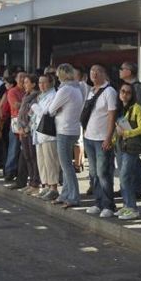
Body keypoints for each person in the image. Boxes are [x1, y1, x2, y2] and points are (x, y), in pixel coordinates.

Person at [83, 64, 118, 218]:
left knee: (103, 172)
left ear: (105, 74)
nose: (94, 74)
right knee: (93, 173)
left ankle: (108, 205)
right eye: (92, 72)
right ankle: (98, 202)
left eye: (98, 71)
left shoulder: (109, 92)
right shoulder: (91, 91)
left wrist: (108, 137)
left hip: (102, 138)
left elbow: (112, 116)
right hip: (89, 137)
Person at [48, 63, 84, 208]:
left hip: (64, 130)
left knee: (66, 166)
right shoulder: (78, 88)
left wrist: (57, 109)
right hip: (74, 129)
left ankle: (74, 197)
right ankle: (65, 194)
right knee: (66, 165)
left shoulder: (65, 90)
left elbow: (50, 109)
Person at [113, 82, 141, 220]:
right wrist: (113, 142)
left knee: (126, 177)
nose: (125, 94)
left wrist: (127, 133)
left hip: (131, 147)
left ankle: (132, 207)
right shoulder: (119, 108)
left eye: (128, 92)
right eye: (122, 91)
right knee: (123, 178)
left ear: (132, 95)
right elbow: (117, 130)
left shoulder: (136, 108)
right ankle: (127, 205)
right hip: (120, 147)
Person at [118, 61, 141, 198]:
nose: (119, 71)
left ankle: (136, 189)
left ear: (129, 72)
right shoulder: (130, 87)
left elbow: (136, 110)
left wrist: (127, 131)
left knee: (132, 163)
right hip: (125, 131)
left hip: (133, 132)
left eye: (121, 69)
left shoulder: (137, 87)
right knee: (131, 163)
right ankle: (130, 188)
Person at [31, 73, 60, 200]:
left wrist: (33, 106)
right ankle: (46, 185)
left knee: (50, 161)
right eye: (39, 82)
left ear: (51, 83)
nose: (41, 85)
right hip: (39, 133)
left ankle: (53, 187)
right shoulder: (41, 96)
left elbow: (46, 113)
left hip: (48, 134)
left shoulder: (54, 95)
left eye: (44, 82)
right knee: (42, 161)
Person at [17, 74, 41, 193]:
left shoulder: (36, 97)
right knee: (27, 156)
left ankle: (36, 183)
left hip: (31, 131)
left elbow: (34, 116)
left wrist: (26, 128)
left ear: (33, 84)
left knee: (33, 157)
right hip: (23, 130)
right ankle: (31, 181)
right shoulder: (26, 96)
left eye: (27, 82)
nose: (24, 84)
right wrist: (20, 128)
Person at [4, 72, 26, 183]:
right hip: (16, 121)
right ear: (16, 79)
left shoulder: (27, 91)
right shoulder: (12, 91)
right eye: (20, 77)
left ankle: (20, 172)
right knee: (14, 147)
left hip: (27, 122)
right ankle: (9, 171)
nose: (22, 79)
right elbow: (15, 105)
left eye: (24, 77)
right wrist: (27, 103)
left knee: (24, 149)